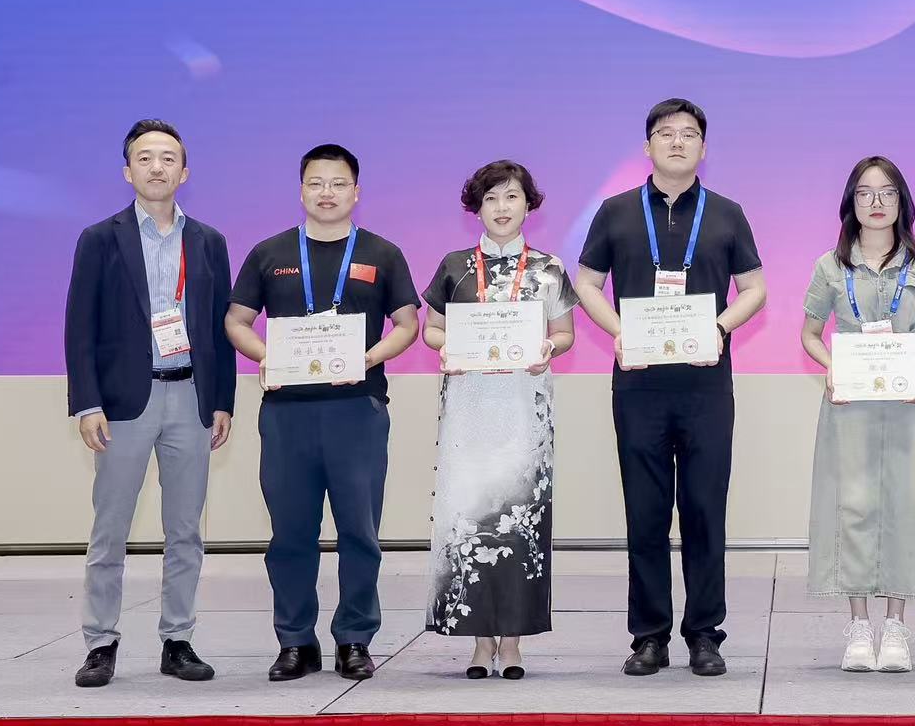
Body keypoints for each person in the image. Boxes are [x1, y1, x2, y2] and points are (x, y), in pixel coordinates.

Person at [573, 98, 766, 678]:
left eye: (688, 134)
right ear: (647, 146)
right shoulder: (616, 211)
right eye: (665, 133)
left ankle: (705, 634)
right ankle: (649, 635)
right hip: (639, 386)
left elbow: (755, 289)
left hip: (706, 386)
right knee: (646, 512)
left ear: (704, 148)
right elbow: (587, 282)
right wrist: (620, 331)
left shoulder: (727, 212)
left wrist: (719, 328)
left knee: (705, 511)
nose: (677, 142)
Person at [225, 144, 419, 682]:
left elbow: (408, 324)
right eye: (316, 183)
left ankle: (355, 638)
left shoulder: (383, 253)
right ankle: (295, 641)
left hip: (357, 410)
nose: (326, 193)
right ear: (301, 190)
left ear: (356, 192)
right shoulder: (270, 253)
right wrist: (267, 356)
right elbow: (237, 320)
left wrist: (368, 358)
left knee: (360, 532)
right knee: (290, 535)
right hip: (287, 414)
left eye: (338, 183)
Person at [64, 120, 236, 688]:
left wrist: (223, 400)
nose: (156, 166)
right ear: (127, 171)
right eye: (144, 157)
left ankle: (178, 639)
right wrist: (87, 403)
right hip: (123, 405)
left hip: (191, 398)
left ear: (184, 172)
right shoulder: (99, 239)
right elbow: (79, 328)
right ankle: (100, 643)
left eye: (167, 158)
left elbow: (220, 328)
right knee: (110, 529)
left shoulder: (209, 241)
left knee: (185, 530)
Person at [420, 160, 578, 679]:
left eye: (512, 197)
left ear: (529, 204)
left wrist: (547, 349)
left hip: (524, 411)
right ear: (477, 208)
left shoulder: (549, 269)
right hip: (469, 411)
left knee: (520, 521)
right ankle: (479, 642)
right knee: (468, 520)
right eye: (491, 198)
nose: (502, 208)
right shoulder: (455, 266)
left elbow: (565, 334)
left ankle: (512, 642)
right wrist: (450, 347)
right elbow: (431, 331)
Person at [799, 156, 915, 673]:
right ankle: (859, 626)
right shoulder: (830, 266)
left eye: (887, 192)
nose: (876, 202)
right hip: (850, 405)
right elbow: (809, 334)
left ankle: (896, 628)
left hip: (907, 404)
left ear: (902, 202)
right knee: (854, 504)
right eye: (865, 193)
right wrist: (831, 366)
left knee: (907, 504)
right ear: (851, 202)